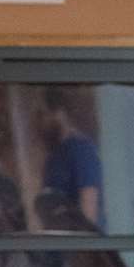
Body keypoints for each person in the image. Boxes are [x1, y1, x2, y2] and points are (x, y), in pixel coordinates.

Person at [36, 87, 104, 231]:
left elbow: (89, 207)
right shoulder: (53, 157)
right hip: (58, 245)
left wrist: (81, 247)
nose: (40, 122)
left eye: (44, 115)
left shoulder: (81, 149)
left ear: (59, 113)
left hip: (79, 247)